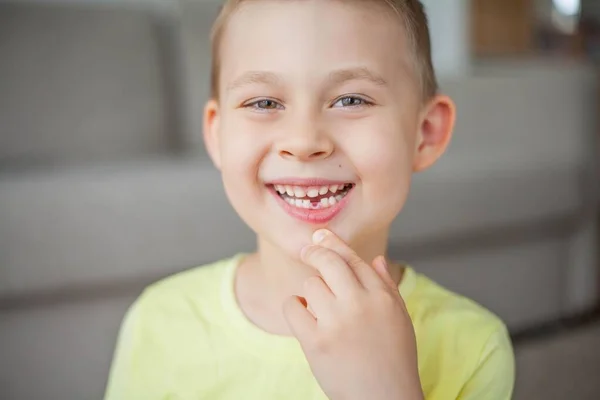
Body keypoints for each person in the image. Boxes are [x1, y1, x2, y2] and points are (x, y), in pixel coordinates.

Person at [104, 0, 515, 399]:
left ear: (424, 133)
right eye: (264, 102)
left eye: (351, 100)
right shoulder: (159, 321)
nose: (303, 142)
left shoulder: (475, 346)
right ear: (217, 135)